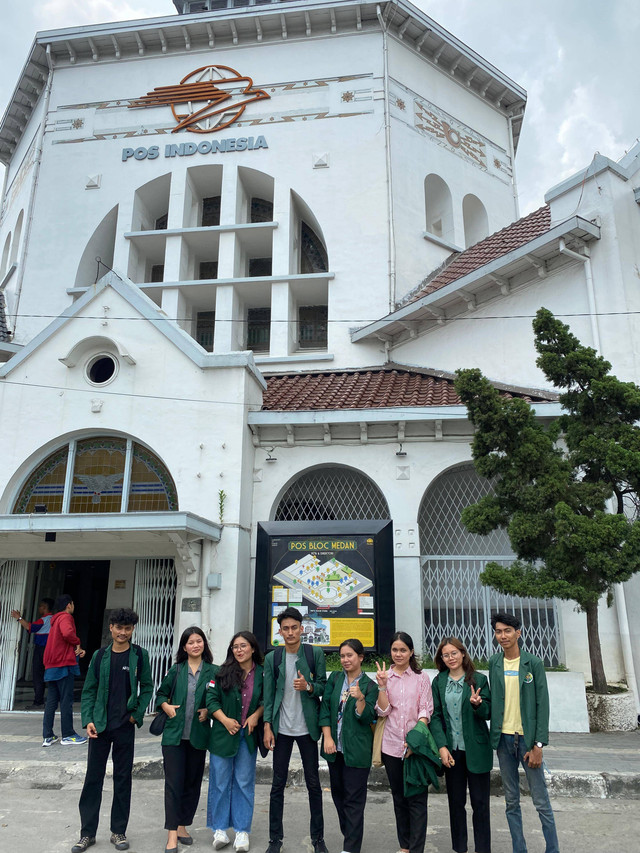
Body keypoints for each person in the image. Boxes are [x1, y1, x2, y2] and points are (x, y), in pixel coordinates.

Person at [71, 607, 153, 853]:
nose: (123, 633)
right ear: (111, 628)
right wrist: (88, 721)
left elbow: (147, 687)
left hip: (124, 726)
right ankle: (87, 834)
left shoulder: (139, 655)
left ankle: (118, 831)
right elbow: (89, 691)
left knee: (122, 779)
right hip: (100, 726)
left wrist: (136, 715)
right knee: (92, 780)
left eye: (127, 628)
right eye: (119, 628)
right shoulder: (99, 656)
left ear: (132, 630)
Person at [489, 612, 559, 853]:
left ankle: (553, 849)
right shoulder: (494, 663)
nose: (503, 635)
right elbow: (497, 701)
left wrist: (538, 745)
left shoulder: (534, 663)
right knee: (511, 802)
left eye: (508, 630)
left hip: (528, 742)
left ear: (518, 633)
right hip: (504, 741)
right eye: (498, 631)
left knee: (541, 801)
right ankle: (519, 849)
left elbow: (543, 705)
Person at [262, 606, 328, 853]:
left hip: (307, 729)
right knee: (277, 785)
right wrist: (268, 726)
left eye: (294, 628)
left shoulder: (314, 654)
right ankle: (275, 840)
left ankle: (318, 839)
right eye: (285, 628)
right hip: (281, 729)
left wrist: (308, 686)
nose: (290, 632)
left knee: (314, 785)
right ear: (280, 631)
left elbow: (323, 686)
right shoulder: (272, 658)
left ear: (302, 629)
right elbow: (268, 695)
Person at [157, 625, 218, 853]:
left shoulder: (213, 671)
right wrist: (165, 706)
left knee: (192, 784)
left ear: (204, 644)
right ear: (184, 646)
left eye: (199, 641)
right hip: (173, 737)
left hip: (198, 736)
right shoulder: (176, 670)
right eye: (191, 642)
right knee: (174, 784)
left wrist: (209, 712)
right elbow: (161, 694)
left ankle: (182, 825)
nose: (195, 645)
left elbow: (220, 699)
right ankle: (172, 835)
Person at [430, 637, 492, 853]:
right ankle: (460, 848)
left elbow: (488, 712)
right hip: (452, 752)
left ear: (463, 654)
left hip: (476, 750)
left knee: (480, 804)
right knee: (456, 804)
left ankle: (483, 849)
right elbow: (436, 716)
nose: (450, 658)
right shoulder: (439, 682)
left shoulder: (479, 680)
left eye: (454, 653)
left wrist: (478, 705)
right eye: (445, 655)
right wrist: (442, 747)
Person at [375, 631, 434, 853]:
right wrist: (381, 686)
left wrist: (415, 741)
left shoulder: (421, 678)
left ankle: (417, 848)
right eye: (395, 650)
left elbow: (425, 710)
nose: (398, 654)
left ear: (411, 652)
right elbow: (383, 711)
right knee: (399, 797)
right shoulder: (385, 676)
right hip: (391, 747)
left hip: (415, 748)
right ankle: (405, 845)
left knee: (417, 800)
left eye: (403, 650)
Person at [207, 631, 264, 853]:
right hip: (223, 735)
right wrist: (224, 719)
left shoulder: (262, 674)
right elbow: (210, 700)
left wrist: (256, 715)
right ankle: (219, 829)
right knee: (220, 782)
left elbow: (264, 700)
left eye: (243, 646)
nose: (239, 650)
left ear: (252, 648)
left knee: (243, 782)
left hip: (247, 736)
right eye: (235, 647)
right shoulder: (222, 673)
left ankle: (242, 831)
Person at [319, 638, 377, 853]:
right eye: (342, 656)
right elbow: (325, 707)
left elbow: (368, 717)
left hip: (358, 751)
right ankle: (350, 835)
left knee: (354, 800)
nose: (345, 660)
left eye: (350, 655)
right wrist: (327, 737)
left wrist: (361, 699)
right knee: (338, 796)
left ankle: (351, 847)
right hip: (335, 750)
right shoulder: (335, 679)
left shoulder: (369, 686)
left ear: (360, 657)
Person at [42, 593, 87, 748]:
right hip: (63, 664)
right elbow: (68, 633)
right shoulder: (66, 617)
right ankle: (67, 734)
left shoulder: (55, 620)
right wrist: (78, 642)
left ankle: (48, 736)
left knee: (51, 702)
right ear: (69, 604)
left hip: (51, 665)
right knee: (66, 701)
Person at [11, 597, 55, 708]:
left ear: (44, 607)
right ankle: (52, 701)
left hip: (41, 649)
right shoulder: (55, 619)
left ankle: (38, 702)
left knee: (38, 675)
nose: (39, 608)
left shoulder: (43, 620)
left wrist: (19, 617)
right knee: (50, 675)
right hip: (51, 649)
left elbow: (29, 627)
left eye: (40, 606)